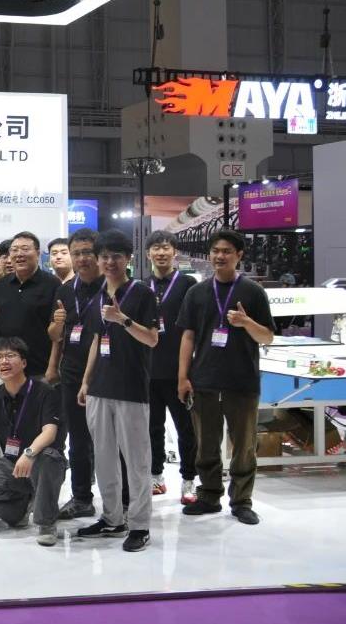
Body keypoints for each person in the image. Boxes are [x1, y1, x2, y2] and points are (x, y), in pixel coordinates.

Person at [176, 229, 274, 526]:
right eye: (216, 251)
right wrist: (182, 377)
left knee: (244, 445)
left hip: (242, 381)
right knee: (205, 443)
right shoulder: (197, 292)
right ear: (209, 254)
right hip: (204, 379)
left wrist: (246, 322)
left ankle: (242, 501)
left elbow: (267, 337)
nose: (220, 256)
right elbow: (188, 336)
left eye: (227, 251)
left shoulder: (253, 292)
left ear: (239, 255)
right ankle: (208, 496)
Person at [76, 229, 159, 553]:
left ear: (128, 259)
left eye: (116, 256)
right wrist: (86, 381)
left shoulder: (142, 293)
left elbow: (152, 339)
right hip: (100, 388)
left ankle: (139, 525)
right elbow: (97, 340)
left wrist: (123, 319)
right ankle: (112, 518)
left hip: (131, 389)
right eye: (104, 257)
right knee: (104, 458)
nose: (109, 262)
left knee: (137, 461)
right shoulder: (98, 294)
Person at [0, 337, 66, 547]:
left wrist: (29, 453)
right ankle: (21, 510)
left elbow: (50, 433)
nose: (3, 361)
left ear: (23, 363)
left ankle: (46, 523)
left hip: (43, 460)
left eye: (10, 356)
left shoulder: (45, 392)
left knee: (48, 458)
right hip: (12, 464)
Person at [49, 228, 102, 521]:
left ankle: (122, 499)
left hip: (107, 373)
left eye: (87, 252)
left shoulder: (112, 286)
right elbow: (55, 335)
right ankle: (82, 497)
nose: (82, 259)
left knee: (110, 439)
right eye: (77, 253)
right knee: (78, 438)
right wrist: (57, 325)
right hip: (71, 371)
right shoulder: (65, 291)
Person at [144, 230, 197, 504]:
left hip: (180, 371)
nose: (161, 253)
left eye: (166, 247)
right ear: (148, 254)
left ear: (175, 252)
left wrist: (185, 374)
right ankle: (156, 476)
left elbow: (193, 329)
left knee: (185, 428)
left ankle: (189, 481)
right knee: (152, 427)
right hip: (149, 371)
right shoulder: (142, 286)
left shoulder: (188, 284)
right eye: (156, 248)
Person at [0, 232, 62, 378]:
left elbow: (57, 335)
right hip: (4, 369)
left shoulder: (52, 284)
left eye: (25, 249)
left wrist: (52, 367)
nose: (19, 254)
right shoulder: (0, 286)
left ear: (38, 253)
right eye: (14, 250)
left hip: (40, 369)